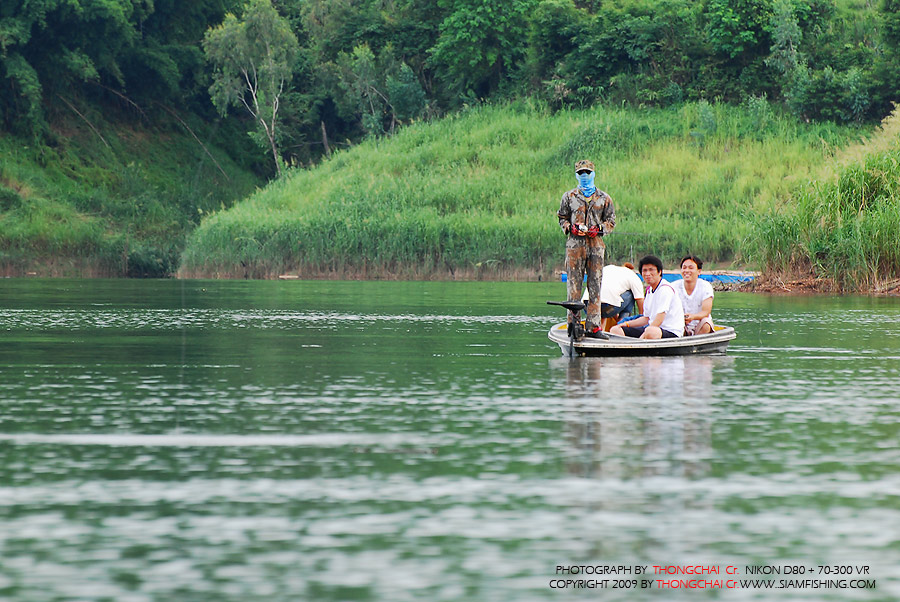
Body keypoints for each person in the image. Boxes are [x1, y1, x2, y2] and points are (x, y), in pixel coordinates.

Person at [557, 159, 616, 339]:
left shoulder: (604, 198)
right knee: (573, 285)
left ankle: (594, 327)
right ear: (576, 175)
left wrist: (598, 229)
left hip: (596, 247)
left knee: (595, 286)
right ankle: (573, 324)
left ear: (593, 174)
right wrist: (570, 228)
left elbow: (611, 221)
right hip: (575, 247)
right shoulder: (569, 196)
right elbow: (561, 218)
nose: (584, 176)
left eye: (587, 173)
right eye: (581, 173)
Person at [610, 255, 684, 339]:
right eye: (644, 270)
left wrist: (641, 338)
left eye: (651, 270)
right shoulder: (649, 291)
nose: (647, 274)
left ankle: (639, 348)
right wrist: (626, 324)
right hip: (650, 328)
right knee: (615, 330)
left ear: (659, 272)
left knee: (651, 332)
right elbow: (646, 318)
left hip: (669, 331)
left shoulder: (665, 289)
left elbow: (659, 319)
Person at [582, 262, 645, 331]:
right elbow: (640, 301)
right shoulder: (633, 276)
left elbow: (611, 299)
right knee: (631, 295)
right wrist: (642, 319)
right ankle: (622, 326)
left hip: (587, 305)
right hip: (607, 306)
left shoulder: (608, 268)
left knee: (605, 303)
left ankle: (600, 330)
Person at [672, 254, 715, 335]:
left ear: (699, 271)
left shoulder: (705, 286)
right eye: (684, 268)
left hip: (700, 324)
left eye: (691, 268)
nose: (687, 271)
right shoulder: (673, 287)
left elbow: (706, 312)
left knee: (706, 324)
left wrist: (693, 317)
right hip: (681, 324)